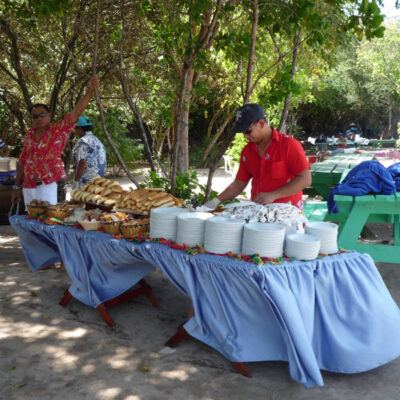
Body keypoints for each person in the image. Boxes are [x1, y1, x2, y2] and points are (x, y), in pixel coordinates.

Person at [11, 76, 99, 206]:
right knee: (31, 221)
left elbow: (76, 112)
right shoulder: (29, 135)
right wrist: (16, 187)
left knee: (48, 220)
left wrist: (90, 90)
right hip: (28, 186)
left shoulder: (57, 131)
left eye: (42, 114)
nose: (38, 118)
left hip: (48, 186)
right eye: (35, 116)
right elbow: (22, 162)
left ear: (49, 116)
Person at [204, 104, 311, 210]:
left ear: (261, 123)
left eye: (248, 131)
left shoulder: (289, 145)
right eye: (243, 132)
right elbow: (239, 183)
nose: (245, 136)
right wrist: (215, 201)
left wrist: (273, 195)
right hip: (258, 215)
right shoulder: (247, 151)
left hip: (287, 215)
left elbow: (305, 179)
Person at [72, 116, 106, 189]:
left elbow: (82, 162)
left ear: (80, 129)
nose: (75, 131)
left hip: (86, 183)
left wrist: (76, 181)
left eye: (75, 129)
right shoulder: (97, 140)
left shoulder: (82, 142)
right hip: (99, 181)